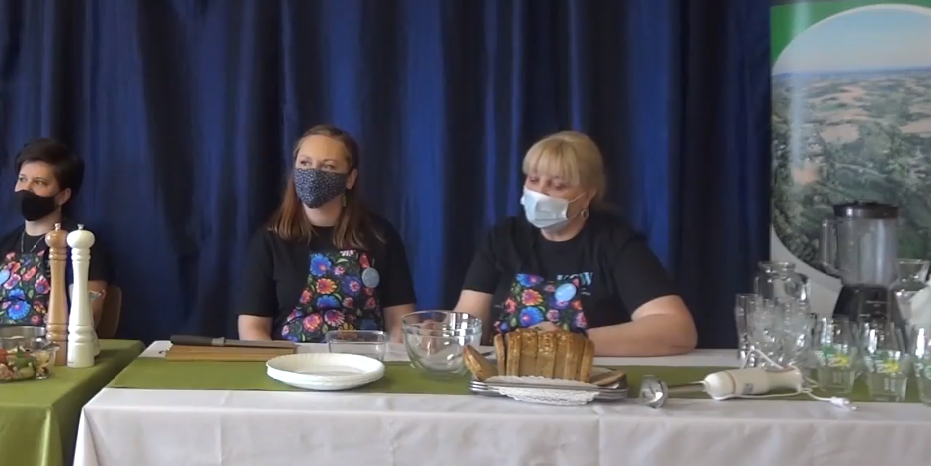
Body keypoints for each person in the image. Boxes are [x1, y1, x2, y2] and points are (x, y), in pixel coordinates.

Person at [453, 131, 696, 356]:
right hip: (505, 377)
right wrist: (444, 336)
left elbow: (677, 330)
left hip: (586, 378)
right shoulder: (503, 238)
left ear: (588, 194)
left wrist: (572, 341)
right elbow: (467, 322)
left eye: (558, 185)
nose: (541, 193)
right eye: (533, 180)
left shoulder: (615, 243)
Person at [238, 125, 417, 342]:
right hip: (292, 362)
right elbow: (252, 329)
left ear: (350, 178)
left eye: (328, 166)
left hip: (365, 361)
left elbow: (401, 321)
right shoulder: (270, 241)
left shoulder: (380, 236)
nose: (313, 174)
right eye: (305, 163)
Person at [0, 138, 112, 328]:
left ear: (63, 196)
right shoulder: (0, 246)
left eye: (39, 182)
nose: (26, 189)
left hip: (49, 345)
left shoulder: (80, 244)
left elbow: (84, 321)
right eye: (22, 179)